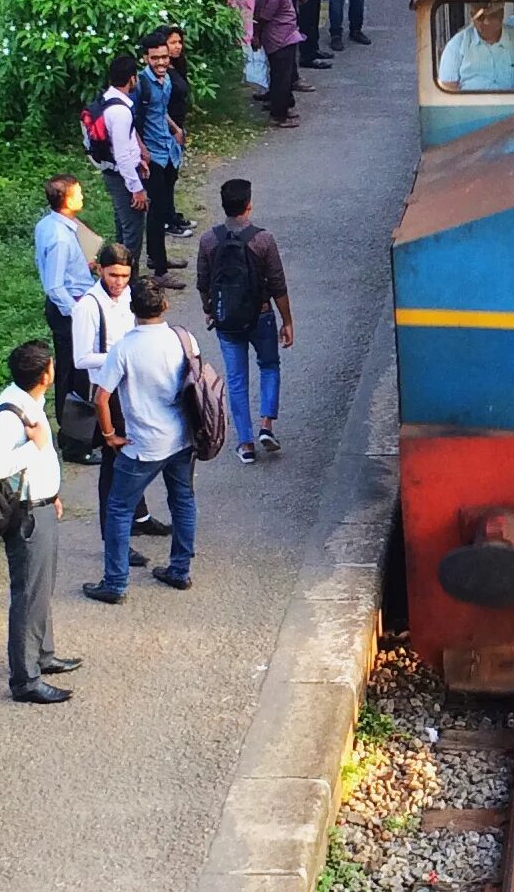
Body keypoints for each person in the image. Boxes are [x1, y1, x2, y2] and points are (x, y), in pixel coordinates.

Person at [85, 276, 201, 603]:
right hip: (182, 438)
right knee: (182, 500)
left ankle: (116, 583)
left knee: (119, 509)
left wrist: (109, 435)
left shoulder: (124, 348)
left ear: (133, 309)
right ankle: (179, 570)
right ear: (164, 305)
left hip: (142, 445)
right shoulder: (184, 338)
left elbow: (101, 398)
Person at [0, 342, 81, 704]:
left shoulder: (27, 402)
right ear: (46, 375)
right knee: (28, 593)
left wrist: (51, 492)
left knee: (42, 586)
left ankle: (42, 653)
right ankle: (25, 679)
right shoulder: (10, 415)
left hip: (40, 506)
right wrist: (32, 447)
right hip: (26, 517)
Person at [72, 242, 167, 562]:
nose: (119, 282)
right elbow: (81, 358)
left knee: (135, 457)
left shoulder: (129, 296)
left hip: (133, 389)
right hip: (107, 394)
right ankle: (114, 539)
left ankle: (139, 518)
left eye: (125, 276)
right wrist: (122, 357)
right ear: (99, 269)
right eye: (113, 275)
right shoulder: (88, 306)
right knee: (115, 468)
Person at [198, 178, 294, 466]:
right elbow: (278, 284)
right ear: (249, 206)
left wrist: (210, 309)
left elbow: (203, 282)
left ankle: (245, 442)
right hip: (261, 314)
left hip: (226, 319)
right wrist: (287, 321)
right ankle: (266, 424)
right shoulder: (262, 239)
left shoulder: (208, 240)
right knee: (268, 366)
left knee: (236, 379)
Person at [33, 174, 96, 459]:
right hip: (68, 311)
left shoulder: (49, 225)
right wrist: (78, 313)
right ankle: (75, 444)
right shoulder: (60, 237)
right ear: (67, 199)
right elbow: (55, 285)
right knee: (75, 379)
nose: (82, 196)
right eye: (78, 193)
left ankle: (76, 435)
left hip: (67, 307)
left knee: (71, 374)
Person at [135, 31, 187, 291]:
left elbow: (160, 110)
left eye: (164, 57)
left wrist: (175, 129)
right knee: (155, 214)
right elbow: (131, 122)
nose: (161, 62)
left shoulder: (164, 80)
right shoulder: (141, 85)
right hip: (152, 156)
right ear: (146, 58)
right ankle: (159, 270)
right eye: (155, 58)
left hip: (167, 151)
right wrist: (142, 150)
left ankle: (161, 258)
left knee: (164, 208)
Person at [91, 54, 148, 273]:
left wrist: (139, 157)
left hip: (111, 172)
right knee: (132, 233)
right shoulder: (121, 111)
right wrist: (137, 189)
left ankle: (118, 277)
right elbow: (123, 155)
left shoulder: (105, 100)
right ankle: (128, 284)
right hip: (123, 176)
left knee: (122, 228)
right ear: (132, 78)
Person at [438, 5, 514, 92]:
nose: (486, 22)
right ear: (472, 17)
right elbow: (448, 89)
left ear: (502, 14)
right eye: (480, 18)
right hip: (472, 116)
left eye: (492, 16)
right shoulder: (456, 45)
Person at [253, 0, 303, 129]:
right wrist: (256, 34)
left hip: (278, 37)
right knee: (282, 76)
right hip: (281, 38)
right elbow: (265, 16)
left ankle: (280, 108)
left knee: (280, 74)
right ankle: (279, 115)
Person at [159, 27, 199, 233]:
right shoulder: (161, 73)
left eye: (179, 42)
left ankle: (171, 214)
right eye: (172, 42)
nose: (177, 46)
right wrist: (174, 129)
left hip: (177, 128)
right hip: (166, 131)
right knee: (166, 175)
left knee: (172, 174)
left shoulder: (176, 67)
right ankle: (166, 220)